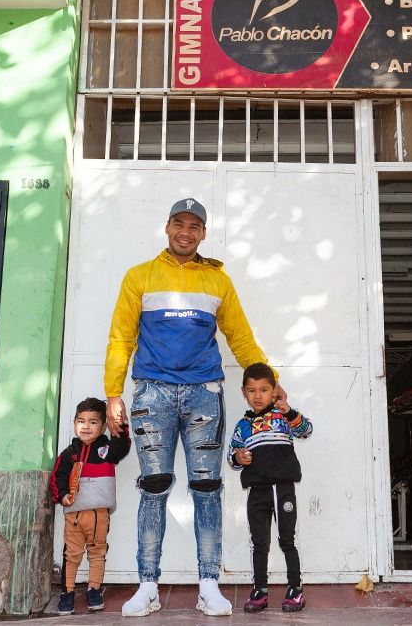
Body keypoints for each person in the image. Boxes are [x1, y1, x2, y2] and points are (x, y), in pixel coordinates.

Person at [104, 197, 284, 617]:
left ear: (204, 232)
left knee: (207, 489)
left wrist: (272, 383)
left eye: (194, 226)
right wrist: (114, 392)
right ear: (167, 227)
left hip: (204, 392)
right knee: (153, 488)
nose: (186, 232)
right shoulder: (139, 276)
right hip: (152, 393)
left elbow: (241, 338)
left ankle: (209, 585)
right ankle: (147, 585)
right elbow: (120, 338)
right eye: (179, 224)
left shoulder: (218, 281)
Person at [228, 362, 313, 613]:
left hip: (282, 488)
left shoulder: (282, 417)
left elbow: (306, 431)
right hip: (257, 491)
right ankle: (260, 590)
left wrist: (289, 411)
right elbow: (232, 456)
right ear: (244, 392)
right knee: (259, 542)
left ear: (273, 390)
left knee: (287, 539)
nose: (258, 396)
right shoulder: (242, 425)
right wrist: (238, 458)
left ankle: (295, 589)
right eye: (252, 390)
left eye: (263, 390)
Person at [48, 397, 131, 615]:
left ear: (104, 426)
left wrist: (119, 421)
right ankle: (67, 592)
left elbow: (122, 447)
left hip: (99, 515)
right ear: (74, 423)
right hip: (74, 515)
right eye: (81, 421)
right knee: (71, 554)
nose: (86, 426)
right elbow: (57, 476)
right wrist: (63, 495)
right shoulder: (69, 453)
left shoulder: (106, 449)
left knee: (97, 551)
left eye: (93, 422)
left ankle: (94, 588)